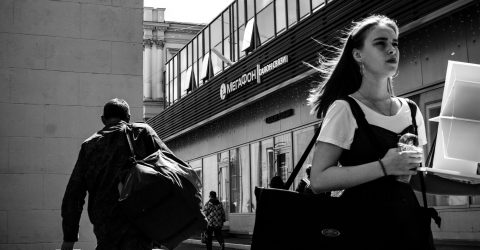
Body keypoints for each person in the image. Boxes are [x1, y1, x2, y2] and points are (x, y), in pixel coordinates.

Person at [308, 15, 480, 249]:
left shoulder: (411, 110)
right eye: (381, 43)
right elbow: (318, 180)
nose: (392, 49)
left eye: (395, 43)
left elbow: (417, 179)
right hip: (361, 229)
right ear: (358, 55)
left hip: (410, 227)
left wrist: (474, 188)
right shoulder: (344, 108)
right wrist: (383, 166)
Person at [60, 98, 172, 250]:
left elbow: (73, 195)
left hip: (105, 230)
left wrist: (69, 239)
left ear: (103, 120)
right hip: (139, 225)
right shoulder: (141, 133)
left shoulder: (89, 146)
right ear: (128, 118)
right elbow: (170, 167)